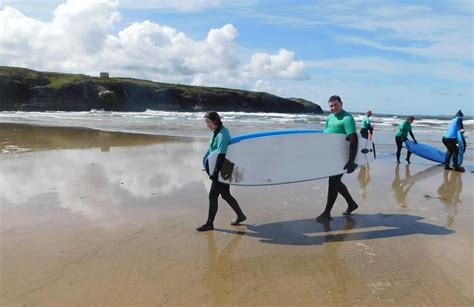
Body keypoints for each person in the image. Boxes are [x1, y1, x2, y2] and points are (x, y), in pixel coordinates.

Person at [197, 111, 247, 231]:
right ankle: (240, 215)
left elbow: (221, 155)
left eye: (208, 122)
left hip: (223, 169)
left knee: (213, 196)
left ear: (215, 121)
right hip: (220, 168)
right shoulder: (216, 132)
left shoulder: (223, 134)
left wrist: (215, 172)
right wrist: (206, 164)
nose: (207, 125)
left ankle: (210, 223)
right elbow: (211, 152)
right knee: (225, 194)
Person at [316, 95, 359, 223]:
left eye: (336, 105)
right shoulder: (329, 117)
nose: (333, 108)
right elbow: (325, 137)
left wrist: (351, 161)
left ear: (341, 104)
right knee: (336, 182)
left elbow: (354, 140)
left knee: (333, 182)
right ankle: (351, 204)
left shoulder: (347, 119)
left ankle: (327, 213)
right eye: (331, 106)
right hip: (330, 156)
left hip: (342, 156)